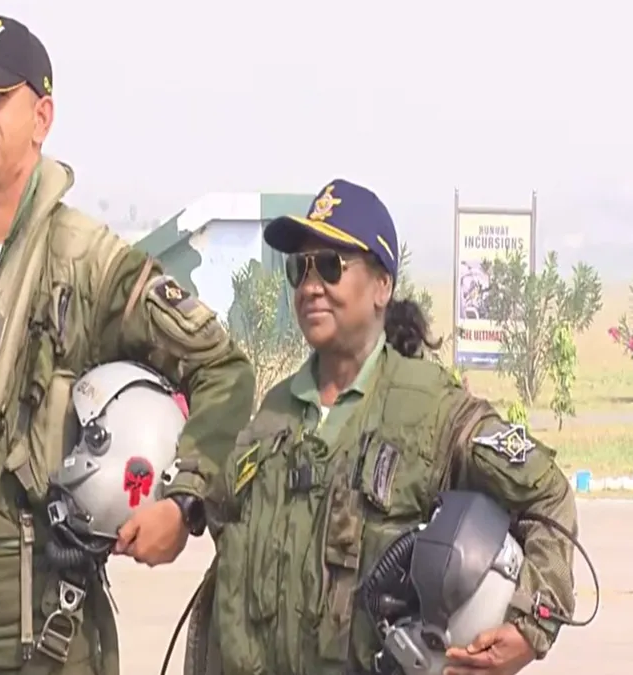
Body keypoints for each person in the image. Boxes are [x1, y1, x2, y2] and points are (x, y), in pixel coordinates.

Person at [0, 14, 255, 675]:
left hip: (52, 641)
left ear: (42, 117)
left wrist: (184, 504)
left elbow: (224, 370)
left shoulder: (89, 264)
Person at [192, 180, 578, 675]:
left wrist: (530, 626)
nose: (310, 286)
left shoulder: (432, 411)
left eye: (330, 265)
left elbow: (548, 496)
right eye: (299, 268)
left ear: (382, 287)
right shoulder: (271, 418)